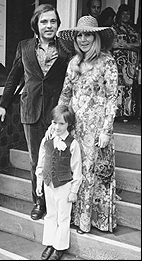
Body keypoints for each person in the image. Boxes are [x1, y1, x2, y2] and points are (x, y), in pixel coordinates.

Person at [0, 4, 74, 221]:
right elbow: (13, 77)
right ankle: (39, 202)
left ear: (58, 24)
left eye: (53, 21)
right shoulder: (24, 46)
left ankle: (58, 201)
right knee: (36, 160)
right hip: (30, 111)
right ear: (36, 24)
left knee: (59, 158)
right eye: (44, 21)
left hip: (57, 114)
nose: (49, 25)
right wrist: (3, 105)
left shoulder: (67, 48)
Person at [55, 15, 118, 233]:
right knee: (76, 170)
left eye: (87, 34)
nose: (83, 39)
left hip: (97, 129)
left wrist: (106, 130)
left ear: (96, 37)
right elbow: (65, 94)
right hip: (75, 126)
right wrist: (57, 122)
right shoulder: (73, 62)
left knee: (94, 173)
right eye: (79, 34)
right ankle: (73, 218)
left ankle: (90, 221)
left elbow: (112, 97)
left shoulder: (107, 61)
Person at [35, 105, 82, 260]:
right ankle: (50, 242)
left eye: (62, 124)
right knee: (51, 214)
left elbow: (77, 169)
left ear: (69, 124)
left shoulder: (72, 144)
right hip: (48, 184)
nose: (57, 127)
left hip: (64, 185)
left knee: (63, 217)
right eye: (55, 123)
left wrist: (73, 190)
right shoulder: (47, 140)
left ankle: (59, 247)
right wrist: (39, 182)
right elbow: (41, 162)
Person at [111, 4, 140, 122]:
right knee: (119, 85)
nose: (126, 16)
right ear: (119, 14)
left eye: (128, 13)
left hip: (131, 63)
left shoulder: (133, 29)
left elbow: (139, 44)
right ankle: (118, 113)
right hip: (119, 62)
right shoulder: (114, 28)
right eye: (123, 13)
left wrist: (128, 46)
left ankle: (128, 112)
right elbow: (111, 44)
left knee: (130, 87)